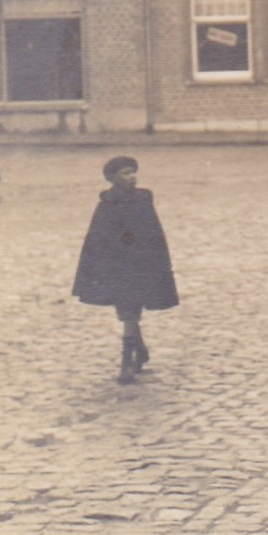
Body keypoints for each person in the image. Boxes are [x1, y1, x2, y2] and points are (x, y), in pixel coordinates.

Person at [72, 156, 179, 385]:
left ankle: (128, 361)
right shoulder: (107, 203)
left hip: (140, 264)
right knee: (127, 311)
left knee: (131, 310)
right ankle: (136, 353)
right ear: (112, 178)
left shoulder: (143, 199)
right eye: (125, 173)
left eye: (133, 172)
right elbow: (97, 236)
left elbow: (153, 232)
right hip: (117, 266)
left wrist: (155, 261)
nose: (132, 177)